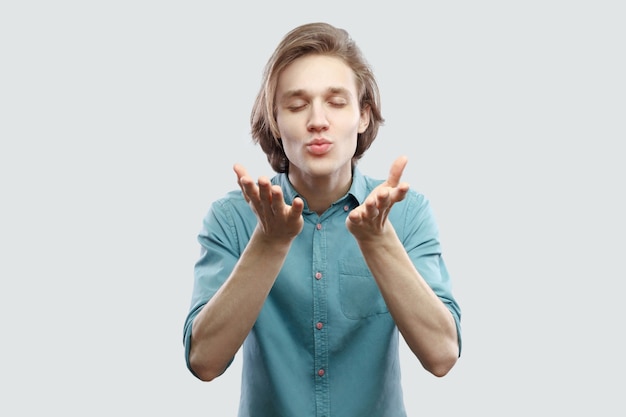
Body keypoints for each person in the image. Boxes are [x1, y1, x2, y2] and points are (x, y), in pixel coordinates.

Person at [183, 21, 462, 417]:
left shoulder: (406, 211)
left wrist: (379, 243)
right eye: (297, 105)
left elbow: (442, 356)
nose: (317, 120)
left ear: (364, 115)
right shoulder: (232, 218)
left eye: (336, 101)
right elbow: (204, 363)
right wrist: (269, 243)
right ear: (276, 122)